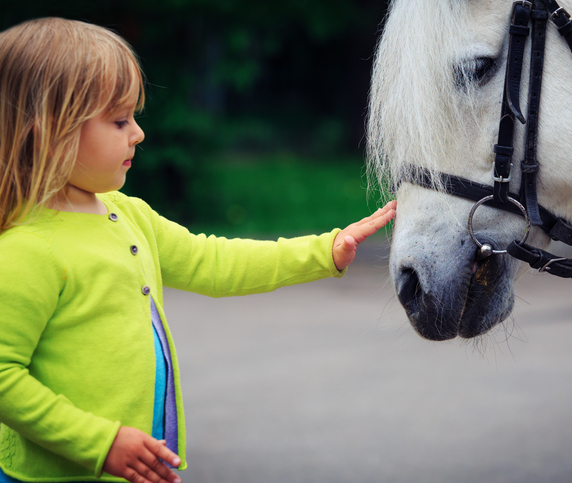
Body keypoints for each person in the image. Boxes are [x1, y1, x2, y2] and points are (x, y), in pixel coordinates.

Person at [0, 17, 395, 483]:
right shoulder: (26, 250)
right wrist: (99, 443)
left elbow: (212, 262)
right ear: (51, 130)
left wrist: (324, 251)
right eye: (119, 120)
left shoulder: (127, 214)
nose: (138, 134)